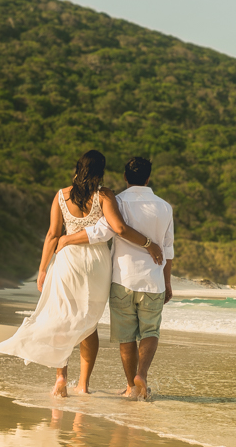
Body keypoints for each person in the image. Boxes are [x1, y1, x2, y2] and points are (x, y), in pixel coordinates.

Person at [0, 151, 163, 396]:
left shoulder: (61, 196)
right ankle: (83, 385)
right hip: (97, 263)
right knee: (89, 323)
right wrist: (149, 244)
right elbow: (117, 228)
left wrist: (42, 269)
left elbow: (53, 234)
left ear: (77, 168)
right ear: (101, 172)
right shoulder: (104, 195)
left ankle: (61, 377)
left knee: (62, 317)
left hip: (68, 261)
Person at [60, 156, 174, 400]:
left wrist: (67, 238)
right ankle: (141, 374)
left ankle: (130, 387)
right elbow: (168, 248)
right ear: (148, 178)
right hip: (153, 281)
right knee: (150, 332)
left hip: (122, 278)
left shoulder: (117, 201)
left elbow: (101, 231)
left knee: (126, 337)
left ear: (125, 177)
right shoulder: (164, 207)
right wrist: (168, 282)